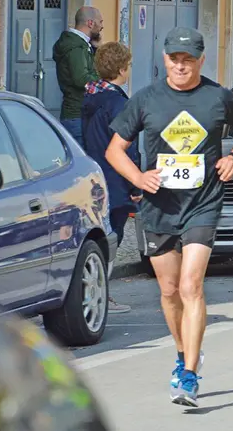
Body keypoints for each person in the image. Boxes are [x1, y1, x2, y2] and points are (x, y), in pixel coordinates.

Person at [106, 27, 233, 407]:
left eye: (188, 60)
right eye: (175, 59)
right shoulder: (146, 99)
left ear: (201, 61)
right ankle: (181, 352)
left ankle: (189, 374)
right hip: (159, 207)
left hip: (202, 204)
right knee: (170, 291)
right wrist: (138, 177)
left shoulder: (217, 97)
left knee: (191, 286)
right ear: (164, 59)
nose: (181, 66)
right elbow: (114, 150)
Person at [82, 41, 140, 315]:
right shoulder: (118, 103)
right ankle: (102, 297)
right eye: (127, 66)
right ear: (121, 69)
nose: (129, 70)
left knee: (99, 238)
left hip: (95, 178)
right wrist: (135, 184)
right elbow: (129, 146)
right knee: (112, 239)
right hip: (116, 180)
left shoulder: (91, 97)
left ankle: (96, 295)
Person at [54, 7, 104, 147]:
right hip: (77, 115)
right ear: (90, 23)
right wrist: (104, 77)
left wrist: (95, 49)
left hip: (78, 114)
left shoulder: (81, 44)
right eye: (100, 22)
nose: (102, 26)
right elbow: (81, 79)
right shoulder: (76, 47)